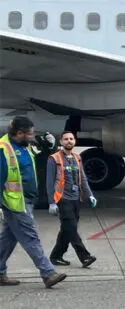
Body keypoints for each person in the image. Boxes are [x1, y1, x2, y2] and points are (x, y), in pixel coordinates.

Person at [0, 116, 67, 288]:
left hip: (27, 200)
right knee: (31, 238)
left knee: (8, 239)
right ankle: (48, 273)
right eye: (29, 134)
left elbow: (35, 164)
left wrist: (48, 148)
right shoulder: (4, 150)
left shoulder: (23, 145)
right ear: (19, 133)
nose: (31, 137)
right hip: (15, 203)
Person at [46, 130, 97, 268]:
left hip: (76, 198)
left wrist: (90, 195)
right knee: (72, 228)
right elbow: (49, 182)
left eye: (71, 139)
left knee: (67, 229)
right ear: (61, 142)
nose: (69, 141)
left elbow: (83, 178)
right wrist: (51, 202)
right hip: (62, 198)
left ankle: (56, 256)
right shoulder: (54, 159)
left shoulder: (77, 158)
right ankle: (85, 257)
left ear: (74, 141)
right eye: (66, 139)